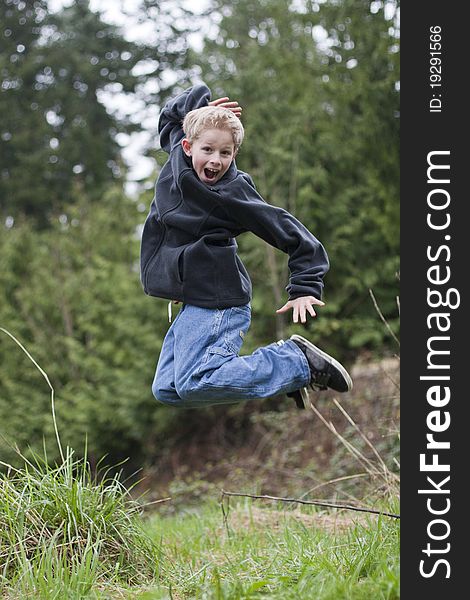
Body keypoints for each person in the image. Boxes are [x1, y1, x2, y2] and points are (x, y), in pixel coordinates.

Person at [140, 83, 352, 409]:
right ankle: (285, 374)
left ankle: (295, 363)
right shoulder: (175, 160)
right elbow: (170, 117)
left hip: (219, 301)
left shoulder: (232, 193)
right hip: (195, 301)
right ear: (187, 146)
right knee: (168, 389)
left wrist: (305, 286)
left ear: (234, 154)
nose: (216, 160)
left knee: (195, 380)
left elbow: (291, 232)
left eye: (226, 153)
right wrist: (201, 104)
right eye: (208, 150)